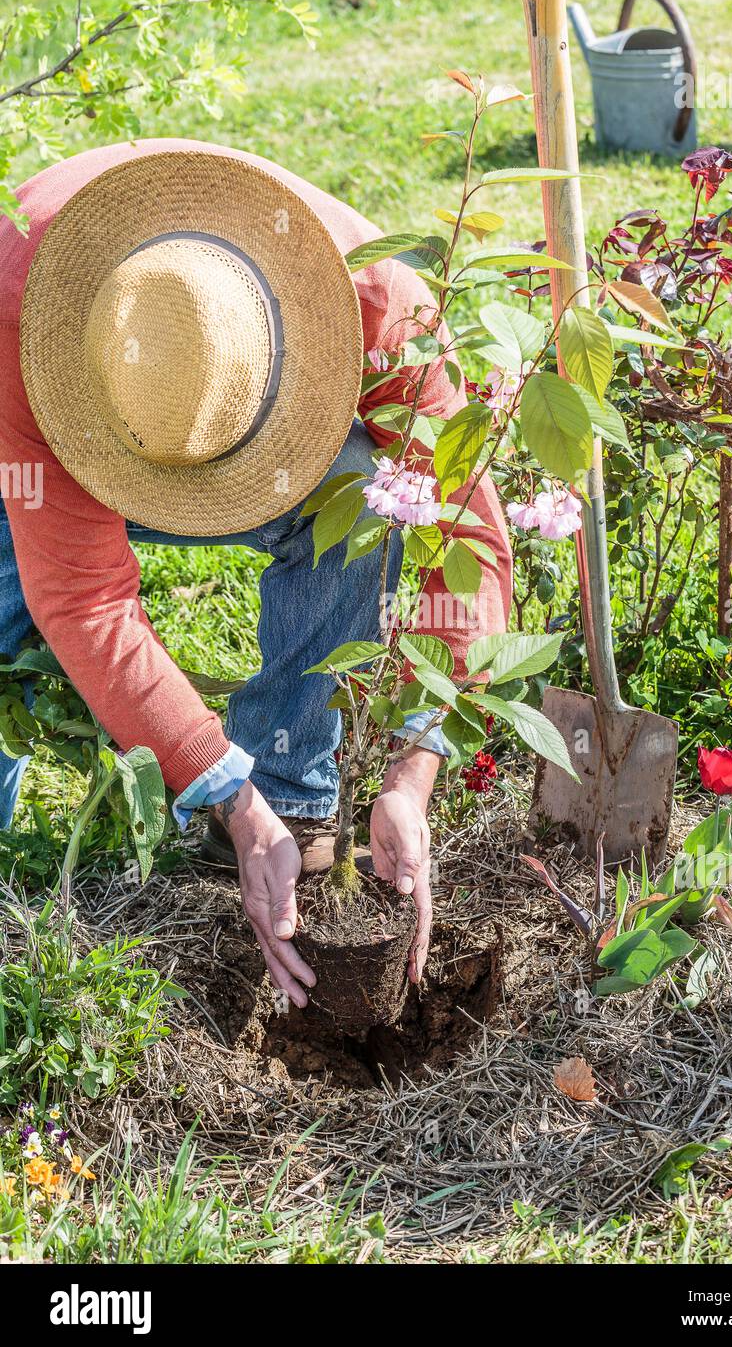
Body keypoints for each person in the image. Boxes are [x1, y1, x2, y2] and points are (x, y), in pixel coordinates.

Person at [0, 139, 512, 1008]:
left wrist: (412, 772)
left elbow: (469, 539)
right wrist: (218, 784)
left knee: (368, 495)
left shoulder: (380, 312)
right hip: (46, 425)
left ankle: (293, 796)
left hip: (248, 419)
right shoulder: (23, 324)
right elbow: (83, 600)